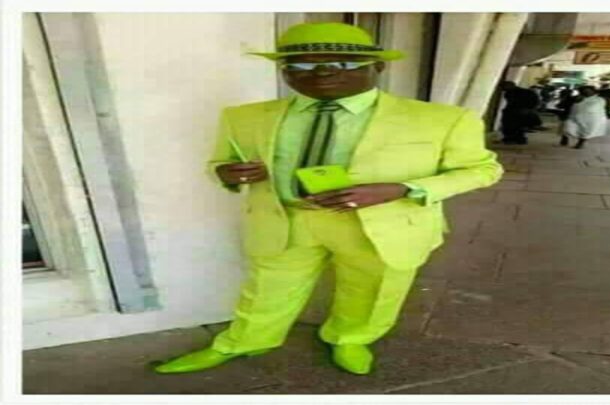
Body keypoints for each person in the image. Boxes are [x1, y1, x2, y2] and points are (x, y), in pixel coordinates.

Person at [152, 22, 503, 376]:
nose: (322, 73)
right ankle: (241, 341)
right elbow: (220, 163)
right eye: (301, 65)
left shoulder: (442, 119)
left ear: (378, 67)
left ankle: (350, 338)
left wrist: (402, 189)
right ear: (283, 70)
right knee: (267, 289)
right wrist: (226, 174)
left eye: (344, 64)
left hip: (383, 223)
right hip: (287, 218)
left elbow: (483, 170)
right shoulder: (243, 117)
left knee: (372, 289)